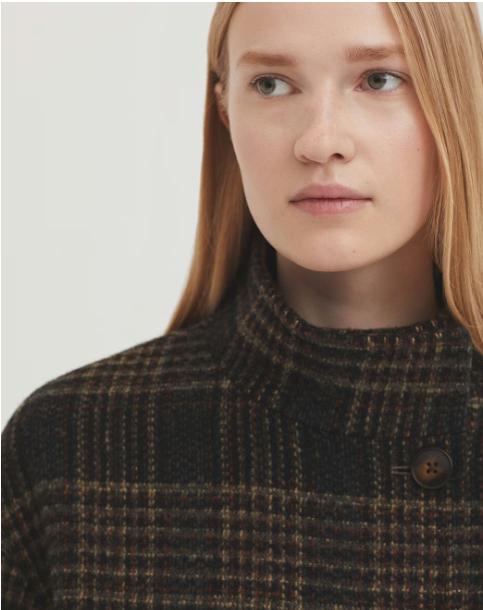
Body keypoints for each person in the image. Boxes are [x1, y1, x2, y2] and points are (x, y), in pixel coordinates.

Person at [2, 2, 483, 608]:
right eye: (272, 84)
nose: (320, 142)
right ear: (226, 111)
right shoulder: (71, 448)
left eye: (380, 79)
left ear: (458, 97)